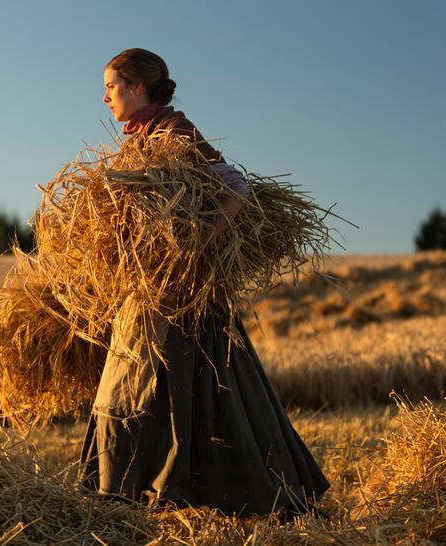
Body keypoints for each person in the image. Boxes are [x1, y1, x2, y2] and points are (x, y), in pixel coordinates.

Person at [79, 48, 330, 515]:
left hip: (181, 295)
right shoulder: (141, 136)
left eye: (111, 86)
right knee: (132, 382)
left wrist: (197, 246)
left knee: (182, 384)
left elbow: (235, 187)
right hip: (149, 290)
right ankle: (136, 492)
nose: (106, 98)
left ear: (136, 86)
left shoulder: (173, 131)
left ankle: (188, 493)